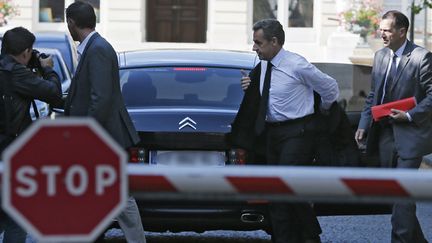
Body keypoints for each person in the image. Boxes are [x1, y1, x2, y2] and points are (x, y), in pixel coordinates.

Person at [230, 19, 339, 243]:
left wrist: (323, 110)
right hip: (272, 134)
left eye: (258, 43)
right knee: (276, 193)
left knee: (289, 186)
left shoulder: (296, 64)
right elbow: (264, 99)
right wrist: (250, 88)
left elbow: (330, 88)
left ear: (275, 42)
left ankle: (310, 235)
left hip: (298, 133)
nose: (254, 48)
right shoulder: (262, 66)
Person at [64, 2, 146, 243]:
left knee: (119, 195)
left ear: (71, 23)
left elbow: (99, 99)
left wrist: (85, 135)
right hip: (101, 136)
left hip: (101, 138)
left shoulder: (97, 49)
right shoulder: (95, 47)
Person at [355, 10, 431, 243]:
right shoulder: (379, 56)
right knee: (398, 198)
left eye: (387, 30)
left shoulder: (421, 57)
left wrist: (409, 115)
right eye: (381, 29)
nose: (382, 33)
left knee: (401, 196)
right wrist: (363, 124)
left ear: (402, 31)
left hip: (411, 136)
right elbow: (373, 96)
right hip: (384, 135)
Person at [0, 26, 63, 243]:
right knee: (16, 219)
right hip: (11, 154)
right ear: (26, 52)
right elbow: (53, 93)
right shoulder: (16, 74)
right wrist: (48, 69)